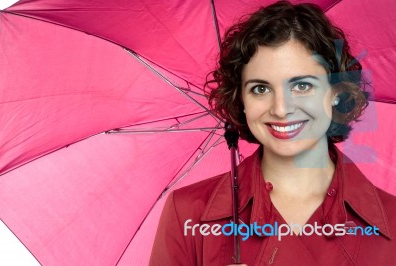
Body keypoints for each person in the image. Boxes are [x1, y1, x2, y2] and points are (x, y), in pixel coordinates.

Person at [149, 1, 396, 265]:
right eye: (260, 89)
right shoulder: (189, 212)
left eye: (301, 85)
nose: (281, 109)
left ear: (336, 92)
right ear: (241, 99)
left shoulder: (392, 220)